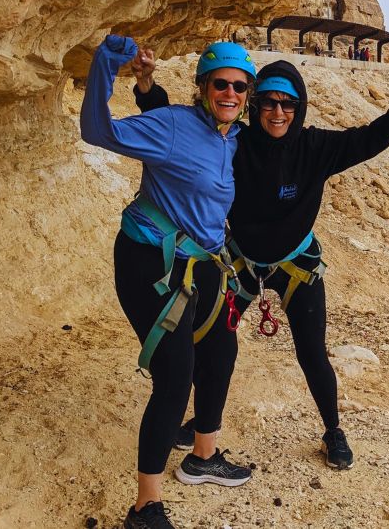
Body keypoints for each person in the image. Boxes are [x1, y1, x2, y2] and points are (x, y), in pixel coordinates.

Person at [136, 59, 389, 471]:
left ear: (300, 107)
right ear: (254, 106)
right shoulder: (235, 141)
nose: (277, 113)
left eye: (288, 104)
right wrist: (147, 87)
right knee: (214, 347)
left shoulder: (316, 148)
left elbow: (366, 141)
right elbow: (177, 133)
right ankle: (204, 423)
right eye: (268, 103)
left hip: (296, 265)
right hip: (241, 263)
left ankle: (333, 430)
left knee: (312, 352)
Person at [81, 36, 257, 529]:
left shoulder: (235, 137)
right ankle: (145, 507)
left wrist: (146, 85)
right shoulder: (175, 126)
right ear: (203, 88)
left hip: (201, 264)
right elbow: (98, 131)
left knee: (221, 352)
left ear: (248, 94)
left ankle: (203, 457)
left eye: (239, 87)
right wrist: (106, 65)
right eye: (220, 84)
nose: (229, 93)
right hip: (148, 262)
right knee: (175, 377)